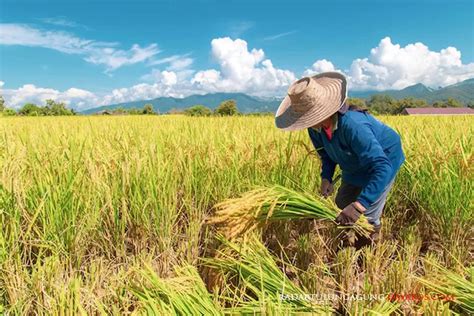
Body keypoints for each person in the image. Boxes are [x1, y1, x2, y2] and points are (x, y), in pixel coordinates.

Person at [274, 72, 405, 249]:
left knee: (366, 215)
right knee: (342, 203)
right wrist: (326, 178)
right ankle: (346, 241)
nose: (307, 123)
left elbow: (382, 167)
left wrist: (360, 205)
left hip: (384, 159)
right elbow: (326, 155)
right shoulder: (315, 128)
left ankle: (366, 253)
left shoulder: (353, 126)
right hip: (353, 161)